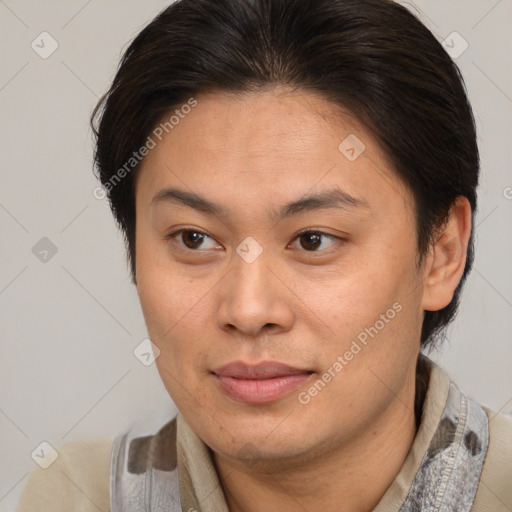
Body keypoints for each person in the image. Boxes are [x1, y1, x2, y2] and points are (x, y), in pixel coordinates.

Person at [17, 0, 512, 510]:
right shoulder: (74, 497)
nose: (249, 311)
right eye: (194, 239)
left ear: (441, 253)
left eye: (313, 240)